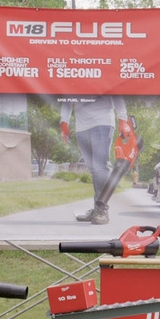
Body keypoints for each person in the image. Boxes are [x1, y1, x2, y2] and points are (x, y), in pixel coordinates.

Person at [61, 95, 130, 225]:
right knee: (93, 169)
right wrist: (64, 121)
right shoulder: (72, 76)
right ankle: (97, 208)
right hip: (81, 126)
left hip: (102, 121)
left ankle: (102, 210)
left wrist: (123, 119)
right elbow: (67, 96)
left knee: (100, 167)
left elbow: (116, 91)